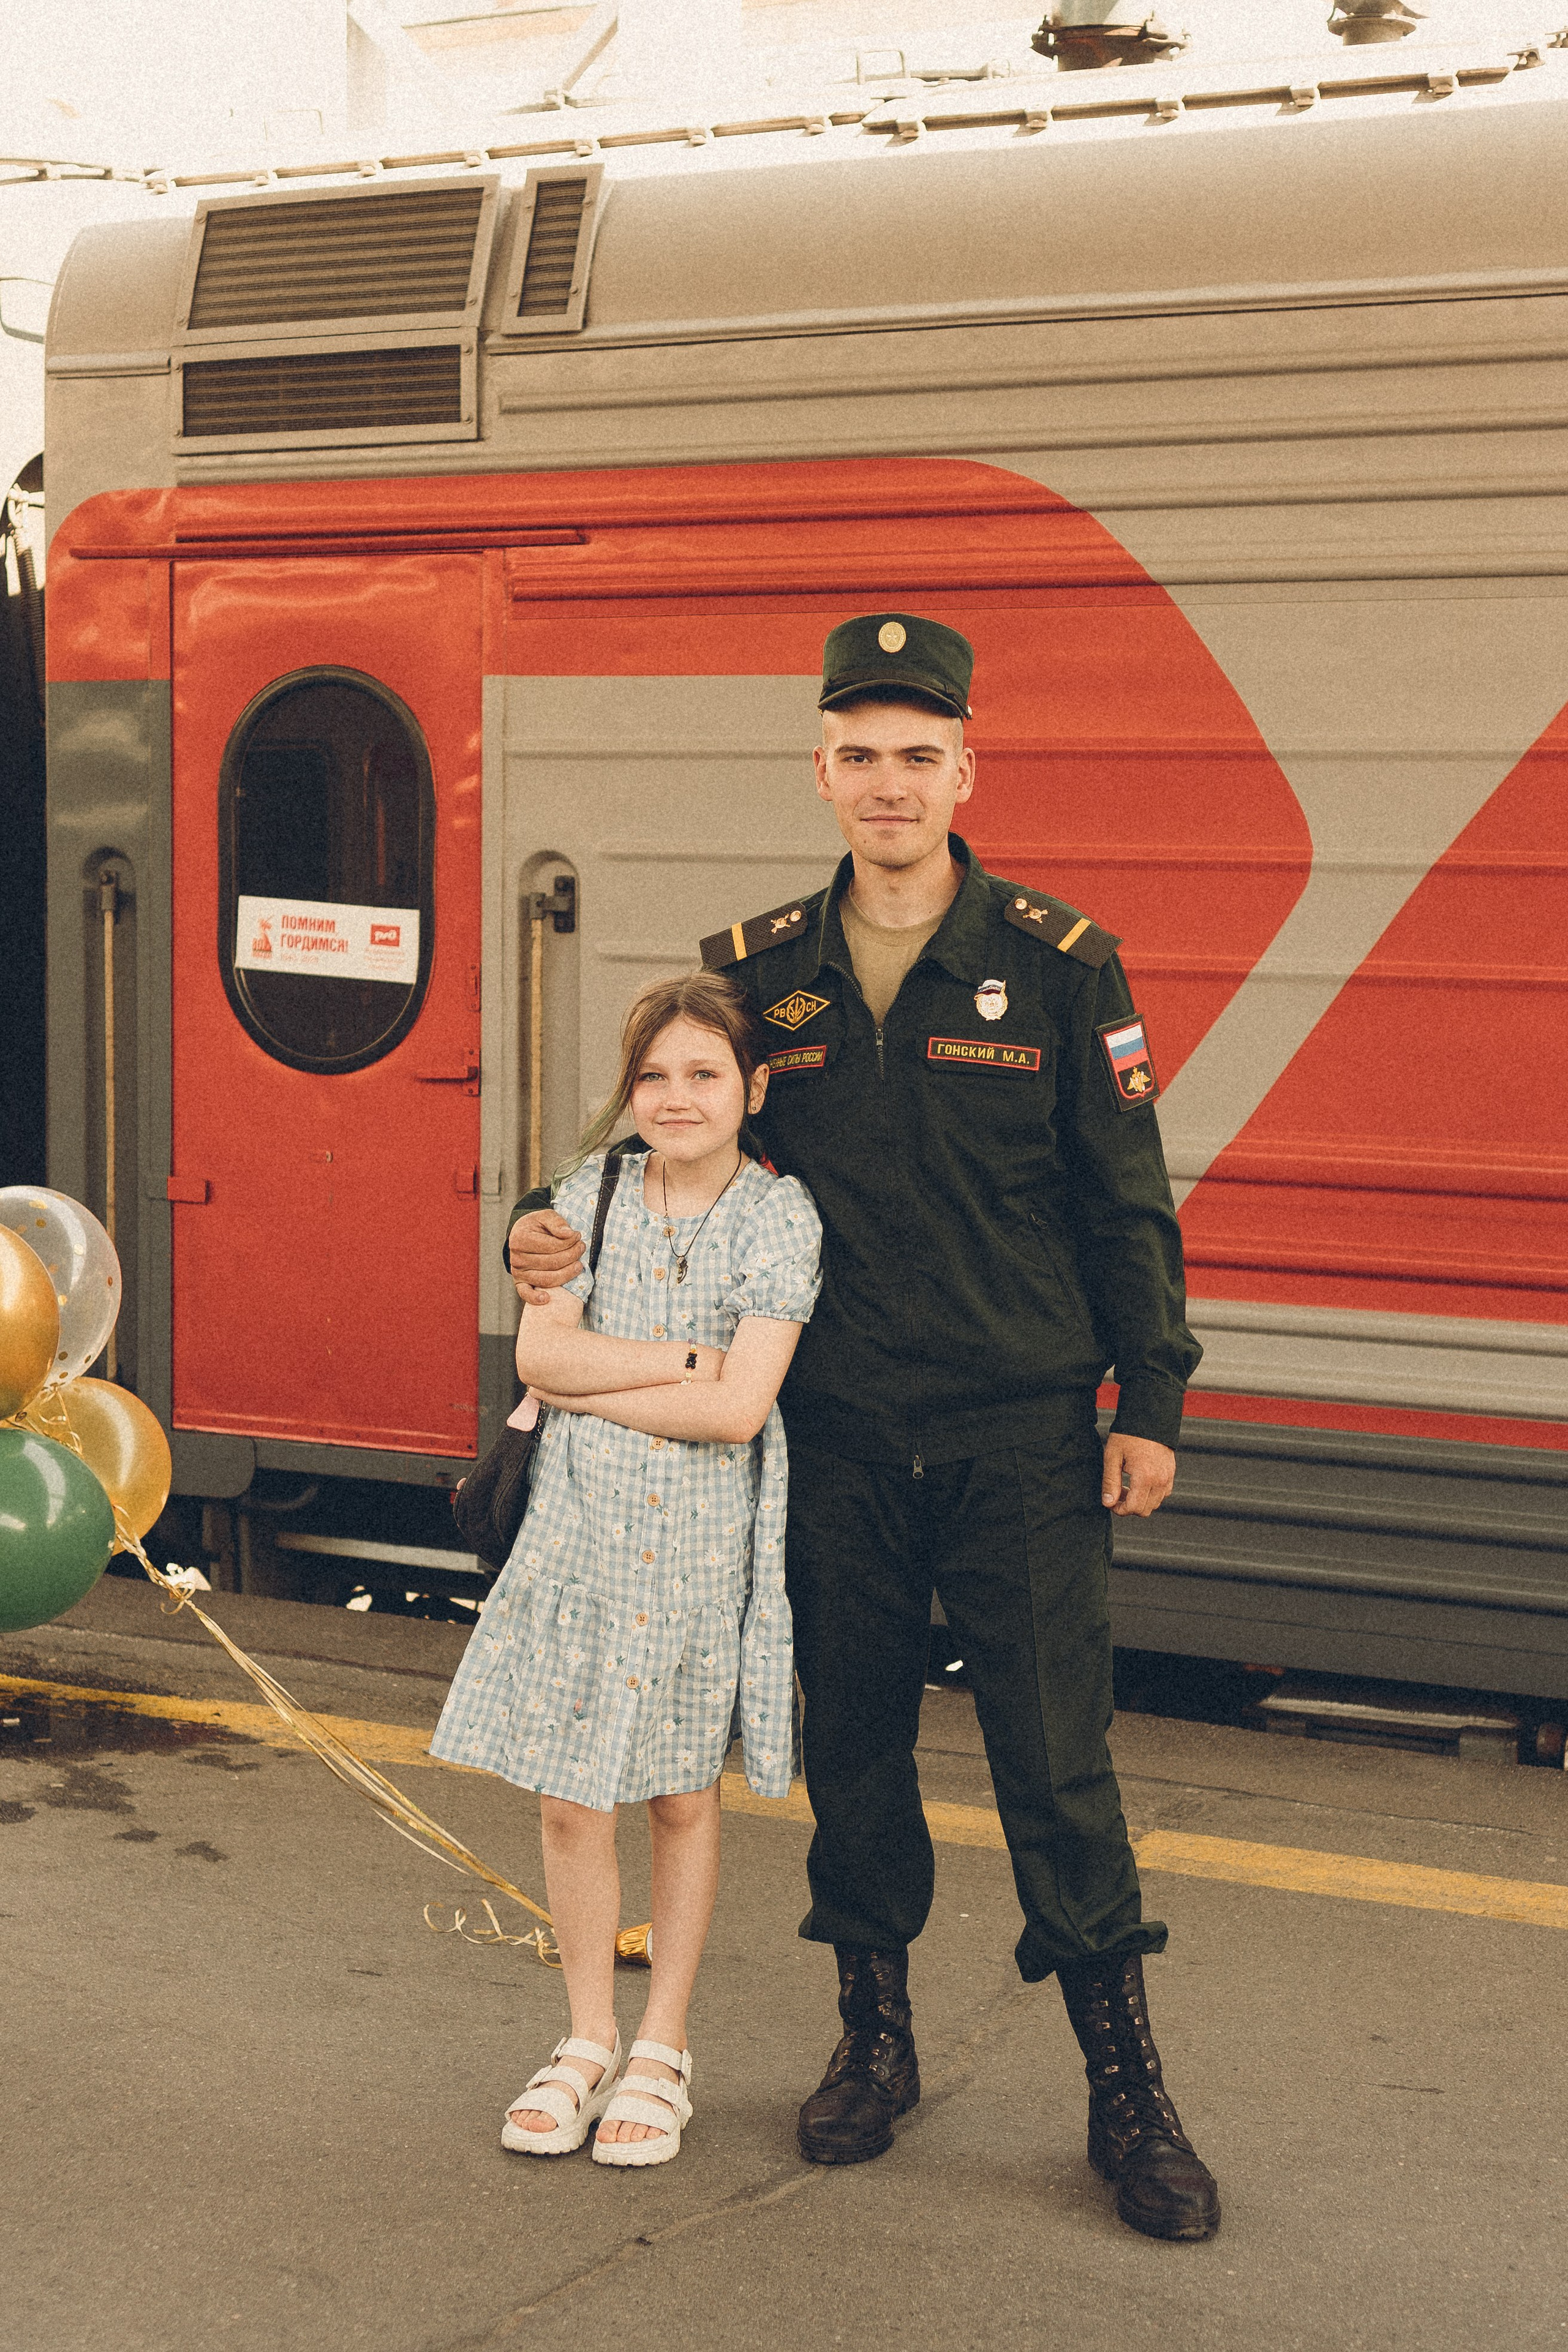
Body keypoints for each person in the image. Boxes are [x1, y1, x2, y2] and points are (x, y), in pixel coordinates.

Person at [505, 614, 1220, 2241]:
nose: (888, 783)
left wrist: (1151, 1395)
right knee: (854, 1753)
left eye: (918, 754)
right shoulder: (759, 972)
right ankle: (872, 2042)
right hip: (829, 1438)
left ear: (965, 770)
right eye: (860, 754)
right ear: (821, 772)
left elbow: (1126, 1202)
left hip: (1022, 1431)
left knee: (1056, 1765)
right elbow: (657, 1149)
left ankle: (1129, 2092)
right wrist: (534, 1238)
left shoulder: (1058, 959)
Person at [434, 971, 822, 2168]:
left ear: (751, 1089)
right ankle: (586, 2036)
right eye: (652, 1075)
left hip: (700, 1545)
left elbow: (743, 1409)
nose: (674, 1096)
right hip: (577, 1533)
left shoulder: (780, 1217)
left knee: (676, 1793)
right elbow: (542, 1357)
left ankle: (663, 2043)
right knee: (566, 1793)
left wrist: (628, 1374)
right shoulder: (581, 1197)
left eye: (703, 1074)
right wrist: (687, 1359)